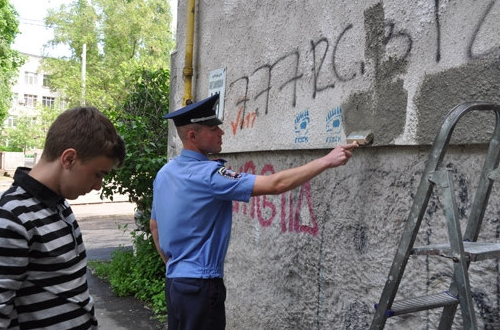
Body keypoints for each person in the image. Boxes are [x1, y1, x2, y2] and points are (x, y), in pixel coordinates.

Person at [150, 93, 358, 330]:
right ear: (192, 135)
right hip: (200, 286)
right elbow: (274, 184)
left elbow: (155, 226)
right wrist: (327, 160)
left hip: (175, 283)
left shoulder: (165, 173)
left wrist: (176, 266)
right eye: (213, 128)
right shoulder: (209, 175)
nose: (222, 133)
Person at [0, 106, 126, 329]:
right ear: (69, 159)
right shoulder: (6, 218)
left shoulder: (59, 205)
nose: (98, 186)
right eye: (98, 174)